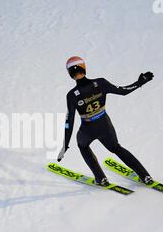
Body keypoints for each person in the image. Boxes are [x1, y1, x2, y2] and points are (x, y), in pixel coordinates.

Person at [57, 56, 154, 186]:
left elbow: (69, 121)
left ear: (69, 73)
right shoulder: (101, 83)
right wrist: (140, 82)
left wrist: (65, 145)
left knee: (82, 145)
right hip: (105, 126)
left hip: (87, 130)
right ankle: (145, 176)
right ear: (84, 68)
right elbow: (123, 91)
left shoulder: (71, 95)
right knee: (116, 148)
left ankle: (100, 178)